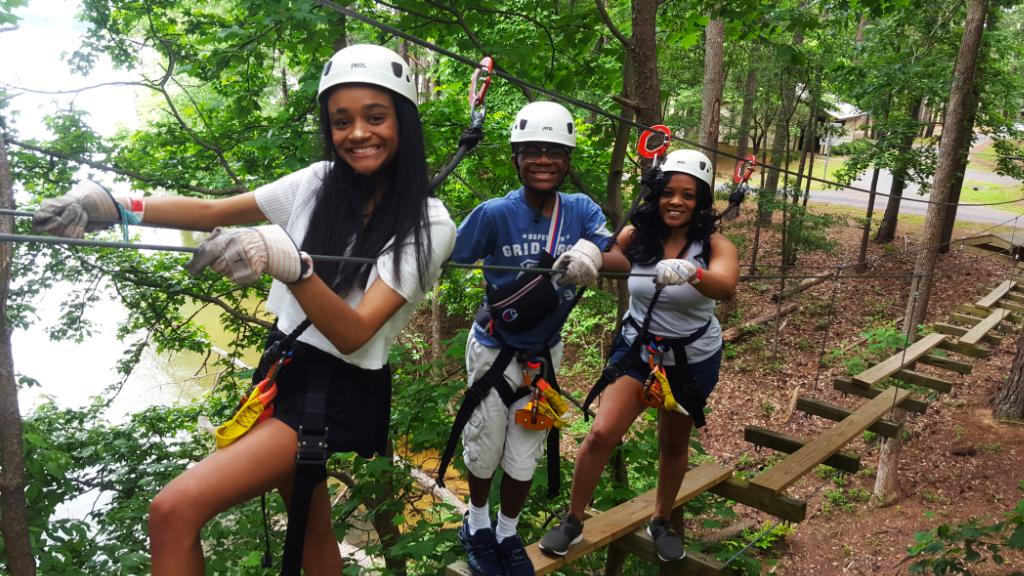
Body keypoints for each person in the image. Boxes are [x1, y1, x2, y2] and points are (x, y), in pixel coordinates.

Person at [32, 44, 456, 576]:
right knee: (310, 521)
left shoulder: (429, 223)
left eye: (376, 117)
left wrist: (293, 268)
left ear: (403, 123)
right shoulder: (319, 183)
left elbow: (354, 333)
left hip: (338, 387)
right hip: (284, 367)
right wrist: (114, 206)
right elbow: (213, 211)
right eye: (341, 121)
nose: (358, 134)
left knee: (173, 510)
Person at [441, 101, 630, 576]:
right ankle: (477, 524)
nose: (543, 160)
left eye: (554, 152)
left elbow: (621, 259)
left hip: (544, 354)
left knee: (524, 454)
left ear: (567, 161)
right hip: (493, 346)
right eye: (532, 151)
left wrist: (592, 253)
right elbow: (447, 255)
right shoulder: (494, 213)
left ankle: (508, 533)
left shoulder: (580, 211)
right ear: (516, 158)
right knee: (485, 446)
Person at [538, 149, 738, 562]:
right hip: (639, 350)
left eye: (687, 194)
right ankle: (572, 520)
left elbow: (725, 285)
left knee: (672, 441)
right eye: (668, 192)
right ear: (657, 194)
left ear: (700, 200)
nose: (676, 201)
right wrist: (589, 257)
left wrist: (692, 273)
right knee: (600, 434)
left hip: (691, 357)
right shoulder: (639, 234)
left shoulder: (715, 244)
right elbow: (616, 258)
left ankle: (661, 519)